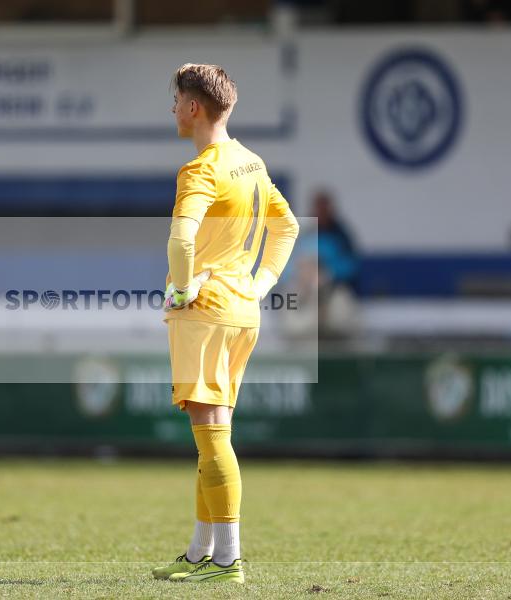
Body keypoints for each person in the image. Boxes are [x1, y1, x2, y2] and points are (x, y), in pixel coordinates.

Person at [153, 64, 299, 583]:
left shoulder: (201, 169)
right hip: (243, 309)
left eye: (176, 100)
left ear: (194, 107)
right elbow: (288, 225)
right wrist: (263, 283)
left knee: (212, 437)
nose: (172, 108)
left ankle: (228, 559)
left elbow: (181, 239)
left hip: (207, 311)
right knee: (212, 434)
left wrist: (181, 285)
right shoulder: (250, 162)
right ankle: (199, 553)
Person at [284, 189, 360, 338]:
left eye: (325, 207)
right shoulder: (305, 235)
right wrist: (303, 274)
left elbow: (352, 266)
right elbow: (287, 268)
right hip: (305, 295)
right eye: (318, 207)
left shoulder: (341, 236)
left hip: (333, 291)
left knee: (340, 315)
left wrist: (328, 272)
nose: (321, 211)